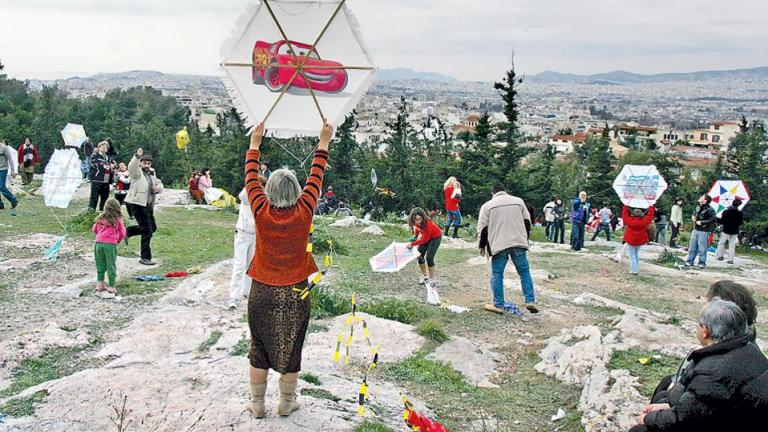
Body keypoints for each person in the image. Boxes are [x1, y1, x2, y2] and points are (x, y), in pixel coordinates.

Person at [243, 121, 332, 419]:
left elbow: (250, 179)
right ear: (297, 190)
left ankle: (257, 404)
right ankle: (286, 401)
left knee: (258, 346)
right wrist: (323, 142)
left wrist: (255, 144)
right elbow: (316, 176)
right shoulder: (305, 208)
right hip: (296, 291)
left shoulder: (260, 209)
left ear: (268, 191)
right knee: (292, 348)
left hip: (262, 290)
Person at [629, 298, 768, 432]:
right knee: (663, 396)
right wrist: (667, 406)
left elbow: (683, 420)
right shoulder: (750, 349)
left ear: (706, 332)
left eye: (698, 323)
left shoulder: (712, 372)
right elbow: (703, 406)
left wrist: (648, 419)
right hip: (738, 418)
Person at [478, 183, 538, 315]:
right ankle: (530, 300)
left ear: (492, 193)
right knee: (524, 272)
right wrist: (524, 239)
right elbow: (527, 223)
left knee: (497, 274)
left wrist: (481, 246)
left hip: (499, 245)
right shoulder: (518, 201)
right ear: (505, 191)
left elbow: (483, 229)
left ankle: (498, 304)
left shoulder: (487, 206)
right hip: (518, 242)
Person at [125, 148, 163, 266]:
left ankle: (128, 231)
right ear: (141, 163)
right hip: (136, 203)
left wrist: (158, 188)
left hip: (148, 204)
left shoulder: (152, 173)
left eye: (149, 163)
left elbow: (159, 183)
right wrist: (137, 156)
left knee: (153, 228)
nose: (147, 165)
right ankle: (145, 257)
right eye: (144, 163)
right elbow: (131, 166)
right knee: (147, 230)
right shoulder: (137, 173)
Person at [228, 187, 256, 309]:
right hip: (242, 234)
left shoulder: (261, 198)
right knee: (239, 266)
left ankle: (247, 291)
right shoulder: (246, 197)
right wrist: (251, 180)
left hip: (254, 236)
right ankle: (233, 297)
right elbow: (242, 195)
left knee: (250, 266)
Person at [91, 198, 126, 294]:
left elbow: (94, 229)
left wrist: (100, 235)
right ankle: (111, 286)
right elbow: (122, 232)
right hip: (110, 244)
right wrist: (117, 240)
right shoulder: (118, 218)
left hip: (98, 243)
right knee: (111, 264)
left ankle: (100, 284)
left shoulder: (100, 217)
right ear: (117, 207)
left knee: (100, 263)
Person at [407, 207, 443, 291]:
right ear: (412, 218)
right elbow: (418, 228)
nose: (418, 221)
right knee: (419, 255)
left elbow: (425, 239)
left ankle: (432, 279)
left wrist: (412, 244)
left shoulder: (427, 223)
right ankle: (424, 276)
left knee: (429, 257)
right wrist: (415, 236)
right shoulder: (415, 222)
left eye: (420, 219)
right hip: (426, 236)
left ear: (423, 217)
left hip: (435, 238)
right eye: (416, 220)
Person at [685, 194, 716, 269]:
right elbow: (694, 214)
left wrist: (702, 222)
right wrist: (693, 217)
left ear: (705, 201)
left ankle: (702, 263)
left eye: (701, 197)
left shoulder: (710, 209)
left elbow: (713, 219)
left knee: (702, 248)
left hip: (704, 231)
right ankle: (689, 261)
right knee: (692, 247)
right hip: (696, 229)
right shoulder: (698, 207)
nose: (699, 197)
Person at [622, 206, 655, 275]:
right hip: (640, 240)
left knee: (632, 255)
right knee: (636, 254)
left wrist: (626, 205)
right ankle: (636, 268)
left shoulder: (629, 220)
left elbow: (624, 214)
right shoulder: (644, 221)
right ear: (641, 214)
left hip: (630, 239)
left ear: (632, 214)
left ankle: (634, 270)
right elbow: (650, 215)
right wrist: (651, 206)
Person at [89, 141, 115, 211]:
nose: (104, 148)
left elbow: (113, 165)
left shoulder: (109, 158)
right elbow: (94, 164)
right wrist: (104, 165)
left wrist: (113, 166)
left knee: (105, 197)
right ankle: (91, 212)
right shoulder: (95, 156)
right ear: (99, 147)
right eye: (102, 146)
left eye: (106, 147)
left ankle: (102, 211)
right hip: (97, 180)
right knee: (94, 198)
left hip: (106, 181)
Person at [716, 199, 744, 264]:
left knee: (721, 243)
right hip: (735, 230)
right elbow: (741, 223)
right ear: (739, 205)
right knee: (732, 245)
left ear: (732, 203)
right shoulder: (740, 213)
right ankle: (730, 260)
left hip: (726, 229)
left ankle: (720, 256)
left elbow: (721, 221)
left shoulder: (726, 211)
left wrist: (717, 218)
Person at [0, 140, 19, 211]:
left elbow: (10, 159)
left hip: (3, 169)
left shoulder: (4, 148)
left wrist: (13, 171)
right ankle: (0, 205)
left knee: (1, 187)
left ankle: (13, 200)